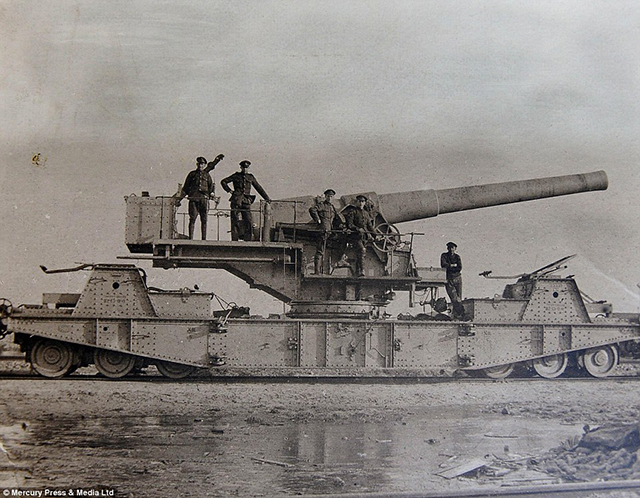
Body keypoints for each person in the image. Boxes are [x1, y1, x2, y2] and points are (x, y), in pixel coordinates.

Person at [220, 160, 271, 241]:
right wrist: (230, 191)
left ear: (248, 168)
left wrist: (267, 198)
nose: (245, 169)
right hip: (236, 200)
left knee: (248, 220)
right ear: (241, 167)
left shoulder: (250, 177)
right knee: (235, 221)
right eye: (243, 167)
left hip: (246, 201)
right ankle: (235, 240)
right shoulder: (236, 176)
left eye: (246, 168)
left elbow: (258, 187)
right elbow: (223, 182)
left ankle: (247, 240)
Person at [176, 155, 223, 240]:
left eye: (202, 164)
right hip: (193, 199)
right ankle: (191, 238)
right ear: (197, 164)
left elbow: (210, 187)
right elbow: (185, 188)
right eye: (199, 164)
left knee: (204, 220)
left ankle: (204, 239)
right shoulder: (192, 174)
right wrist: (179, 200)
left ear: (204, 165)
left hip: (204, 200)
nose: (200, 165)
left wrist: (212, 194)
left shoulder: (207, 175)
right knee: (192, 219)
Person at [343, 195, 374, 277]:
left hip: (364, 237)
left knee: (360, 254)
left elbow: (369, 226)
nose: (361, 203)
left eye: (362, 201)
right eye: (359, 201)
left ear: (364, 203)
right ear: (357, 202)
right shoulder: (353, 212)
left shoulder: (366, 214)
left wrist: (375, 235)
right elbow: (349, 224)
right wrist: (357, 229)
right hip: (355, 236)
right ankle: (362, 271)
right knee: (362, 250)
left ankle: (357, 272)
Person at [309, 189, 338, 274]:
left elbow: (335, 219)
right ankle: (317, 271)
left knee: (327, 251)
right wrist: (318, 220)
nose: (330, 198)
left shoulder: (332, 207)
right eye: (328, 196)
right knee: (320, 251)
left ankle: (326, 270)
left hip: (329, 232)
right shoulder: (322, 205)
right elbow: (312, 209)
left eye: (331, 196)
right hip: (322, 231)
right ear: (325, 196)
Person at [440, 241, 464, 318]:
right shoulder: (444, 255)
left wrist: (450, 266)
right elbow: (444, 265)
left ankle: (458, 314)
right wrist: (453, 266)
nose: (451, 249)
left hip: (458, 278)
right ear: (447, 248)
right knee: (454, 298)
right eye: (449, 248)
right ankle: (458, 314)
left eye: (452, 248)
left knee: (459, 298)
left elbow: (459, 268)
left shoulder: (457, 257)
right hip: (449, 279)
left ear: (455, 248)